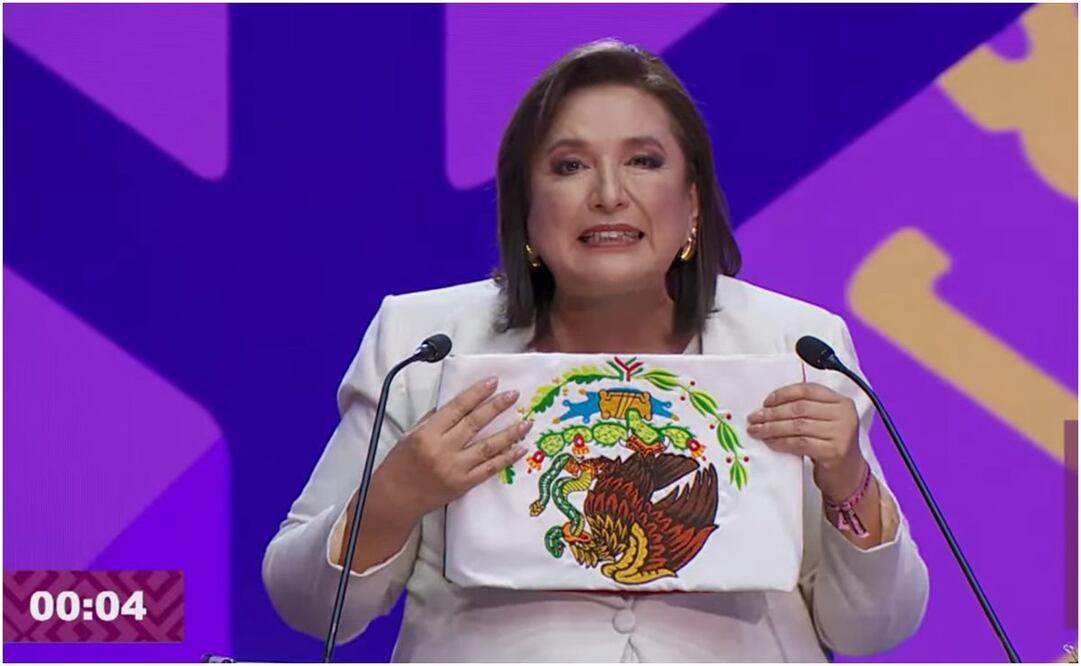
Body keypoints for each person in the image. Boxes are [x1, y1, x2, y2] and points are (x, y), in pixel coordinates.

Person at [263, 39, 928, 662]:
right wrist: (397, 493)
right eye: (569, 166)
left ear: (690, 202)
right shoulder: (422, 344)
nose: (608, 194)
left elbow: (872, 628)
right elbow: (306, 604)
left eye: (643, 161)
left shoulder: (798, 345)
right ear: (525, 208)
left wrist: (848, 482)